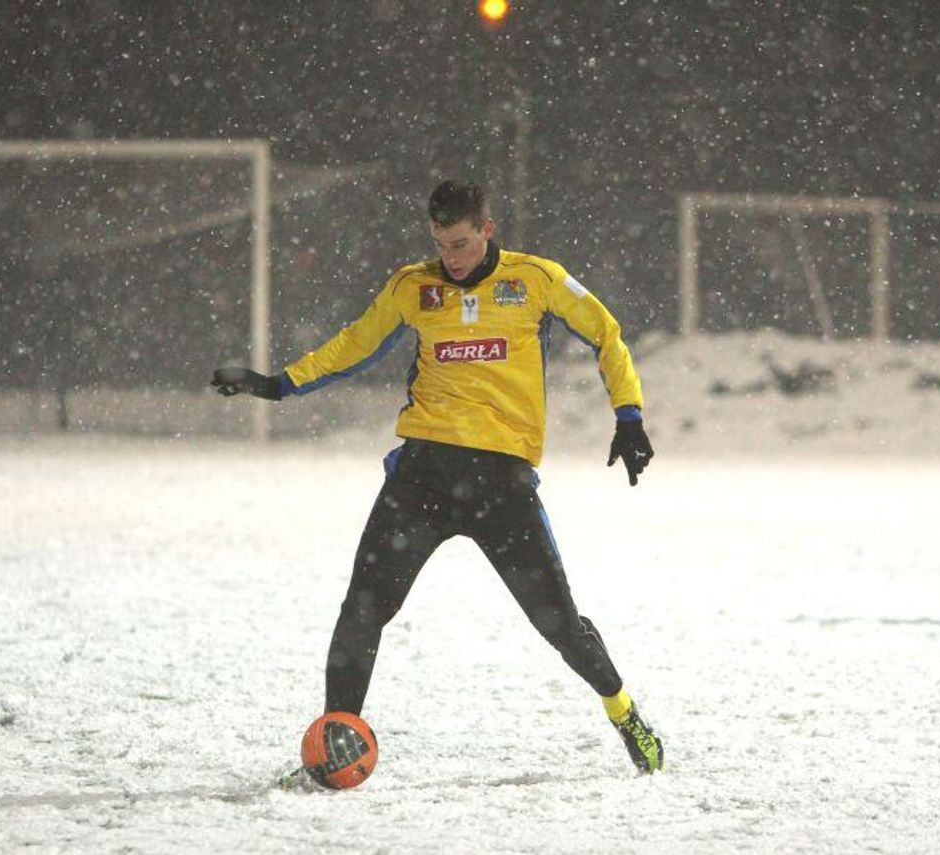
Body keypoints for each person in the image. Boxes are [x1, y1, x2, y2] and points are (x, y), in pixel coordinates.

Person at [212, 180, 663, 774]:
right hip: (421, 479)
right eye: (440, 245)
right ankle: (335, 739)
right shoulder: (412, 287)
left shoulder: (537, 280)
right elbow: (353, 345)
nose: (451, 258)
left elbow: (608, 334)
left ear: (487, 229)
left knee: (559, 624)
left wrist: (628, 416)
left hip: (501, 487)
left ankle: (624, 711)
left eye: (461, 243)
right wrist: (275, 385)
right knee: (362, 609)